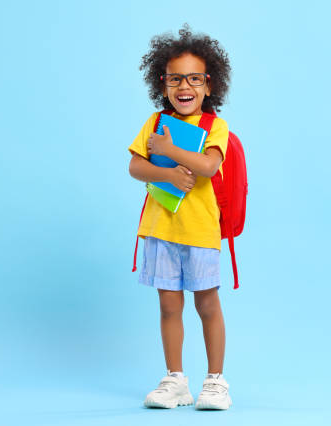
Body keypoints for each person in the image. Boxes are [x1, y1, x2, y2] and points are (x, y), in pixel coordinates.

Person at [128, 23, 233, 410]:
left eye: (193, 78)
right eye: (175, 78)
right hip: (160, 229)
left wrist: (170, 152)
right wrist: (168, 173)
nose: (183, 86)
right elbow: (136, 168)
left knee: (207, 304)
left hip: (200, 231)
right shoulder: (154, 123)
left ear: (209, 85)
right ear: (163, 82)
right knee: (169, 305)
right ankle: (175, 380)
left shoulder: (214, 126)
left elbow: (208, 166)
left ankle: (216, 381)